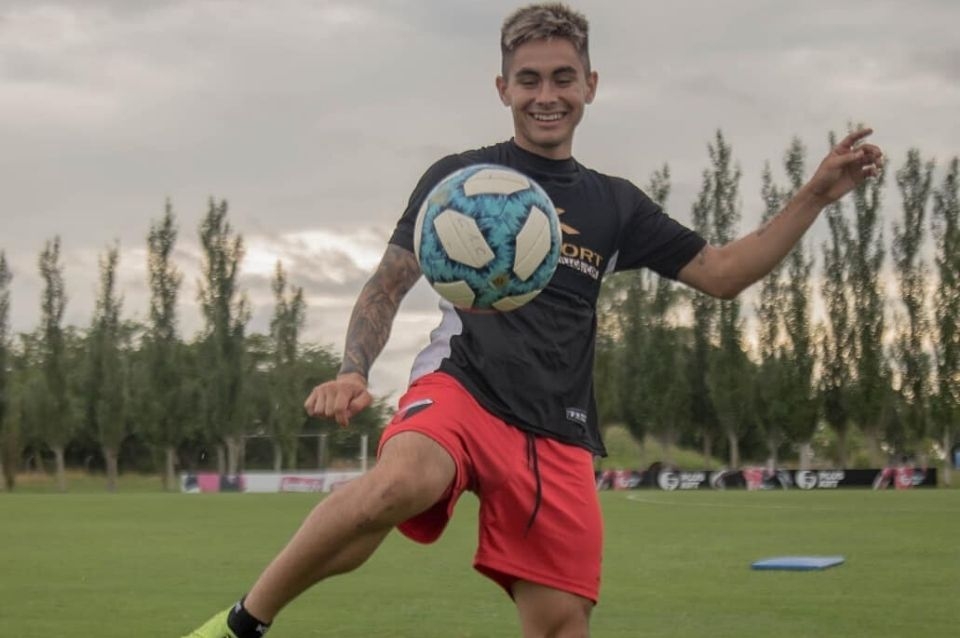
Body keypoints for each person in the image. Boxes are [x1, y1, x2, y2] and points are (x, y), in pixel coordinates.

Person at [182, 3, 883, 636]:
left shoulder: (616, 204)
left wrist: (815, 197)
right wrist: (352, 371)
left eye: (562, 78)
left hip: (558, 429)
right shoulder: (457, 180)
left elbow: (723, 273)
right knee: (402, 483)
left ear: (590, 85)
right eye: (529, 80)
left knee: (560, 626)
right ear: (503, 89)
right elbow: (388, 283)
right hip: (463, 388)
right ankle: (241, 625)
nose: (546, 95)